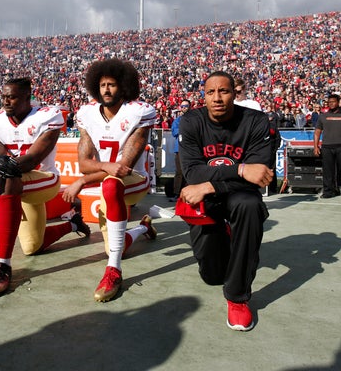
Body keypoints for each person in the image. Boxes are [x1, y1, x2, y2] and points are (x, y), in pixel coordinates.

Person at [0, 78, 91, 297]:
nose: (6, 101)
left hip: (45, 179)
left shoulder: (47, 115)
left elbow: (33, 158)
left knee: (9, 175)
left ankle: (2, 266)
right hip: (18, 184)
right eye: (3, 96)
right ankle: (72, 225)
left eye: (12, 97)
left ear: (27, 98)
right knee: (33, 247)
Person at [178, 70, 274, 332]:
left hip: (233, 192)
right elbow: (192, 172)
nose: (217, 98)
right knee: (212, 276)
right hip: (208, 195)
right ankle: (224, 231)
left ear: (235, 93)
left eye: (224, 91)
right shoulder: (191, 121)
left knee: (249, 206)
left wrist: (210, 183)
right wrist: (241, 169)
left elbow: (260, 174)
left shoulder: (255, 120)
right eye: (211, 92)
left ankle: (238, 296)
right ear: (204, 96)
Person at [62, 58, 158, 303]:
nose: (106, 89)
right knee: (114, 244)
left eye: (112, 84)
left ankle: (113, 270)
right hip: (106, 178)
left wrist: (82, 182)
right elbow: (84, 163)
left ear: (123, 87)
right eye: (102, 84)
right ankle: (143, 227)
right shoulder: (86, 113)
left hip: (135, 180)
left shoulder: (138, 112)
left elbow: (124, 169)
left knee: (113, 183)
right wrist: (103, 165)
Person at [313, 94, 341, 200]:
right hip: (327, 147)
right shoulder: (323, 116)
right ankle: (329, 191)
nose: (331, 104)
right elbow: (317, 132)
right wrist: (315, 146)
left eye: (333, 101)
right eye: (329, 102)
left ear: (338, 102)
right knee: (328, 171)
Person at [170, 99, 191, 201]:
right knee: (179, 172)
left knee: (190, 172)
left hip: (191, 150)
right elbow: (174, 132)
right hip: (179, 149)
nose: (184, 108)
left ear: (190, 107)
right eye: (182, 106)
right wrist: (186, 128)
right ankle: (176, 194)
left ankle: (188, 194)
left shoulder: (195, 119)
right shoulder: (177, 120)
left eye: (186, 106)